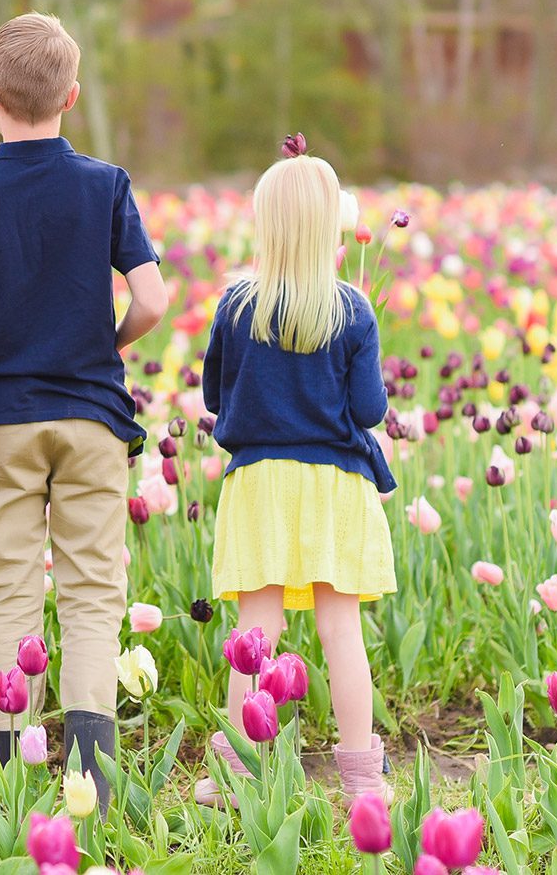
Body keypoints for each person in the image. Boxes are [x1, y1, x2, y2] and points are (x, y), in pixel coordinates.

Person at [0, 13, 168, 809]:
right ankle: (90, 771)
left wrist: (1, 324)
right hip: (93, 413)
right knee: (96, 587)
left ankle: (11, 760)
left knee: (8, 585)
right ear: (71, 94)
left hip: (1, 415)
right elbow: (153, 299)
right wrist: (103, 338)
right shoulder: (105, 183)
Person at [197, 149, 396, 804]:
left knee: (256, 633)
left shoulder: (236, 306)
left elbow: (215, 399)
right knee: (342, 630)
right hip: (335, 483)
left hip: (260, 484)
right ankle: (362, 779)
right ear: (331, 230)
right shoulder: (353, 310)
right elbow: (369, 410)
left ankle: (234, 773)